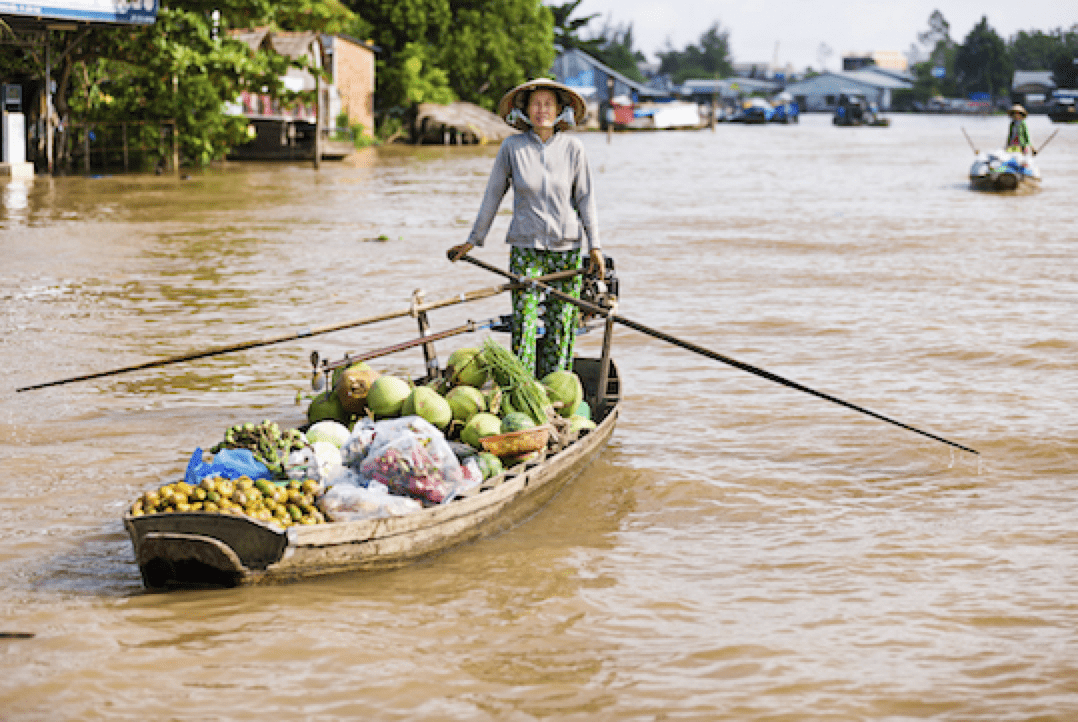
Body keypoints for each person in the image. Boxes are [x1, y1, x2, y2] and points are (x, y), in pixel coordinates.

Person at [448, 78, 604, 378]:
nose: (541, 110)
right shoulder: (512, 147)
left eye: (548, 104)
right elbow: (492, 195)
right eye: (535, 104)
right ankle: (524, 391)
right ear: (524, 110)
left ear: (560, 109)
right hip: (526, 252)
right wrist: (472, 241)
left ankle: (557, 391)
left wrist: (594, 246)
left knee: (561, 328)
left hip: (566, 251)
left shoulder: (574, 149)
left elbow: (586, 199)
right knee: (525, 327)